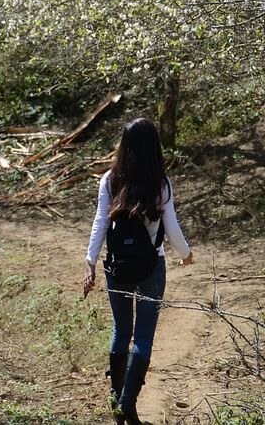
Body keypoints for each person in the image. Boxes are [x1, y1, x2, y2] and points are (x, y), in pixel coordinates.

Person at [83, 117, 193, 425]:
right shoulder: (160, 183)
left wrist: (90, 261)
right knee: (143, 336)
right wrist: (186, 254)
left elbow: (100, 222)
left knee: (121, 331)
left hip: (116, 266)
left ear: (125, 145)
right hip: (152, 267)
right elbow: (172, 228)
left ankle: (117, 402)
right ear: (154, 147)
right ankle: (127, 404)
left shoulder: (110, 180)